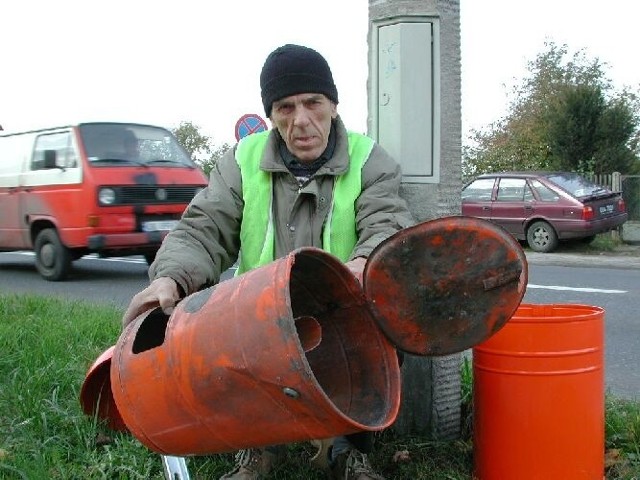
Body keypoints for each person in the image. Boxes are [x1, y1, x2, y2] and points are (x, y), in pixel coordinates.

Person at [121, 43, 415, 480]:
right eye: (285, 107)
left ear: (334, 105)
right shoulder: (242, 160)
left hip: (340, 311)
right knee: (217, 335)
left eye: (314, 103)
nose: (301, 121)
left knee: (382, 322)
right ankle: (255, 450)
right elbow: (203, 227)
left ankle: (346, 449)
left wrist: (364, 266)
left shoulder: (370, 159)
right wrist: (170, 279)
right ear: (271, 113)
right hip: (255, 317)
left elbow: (387, 225)